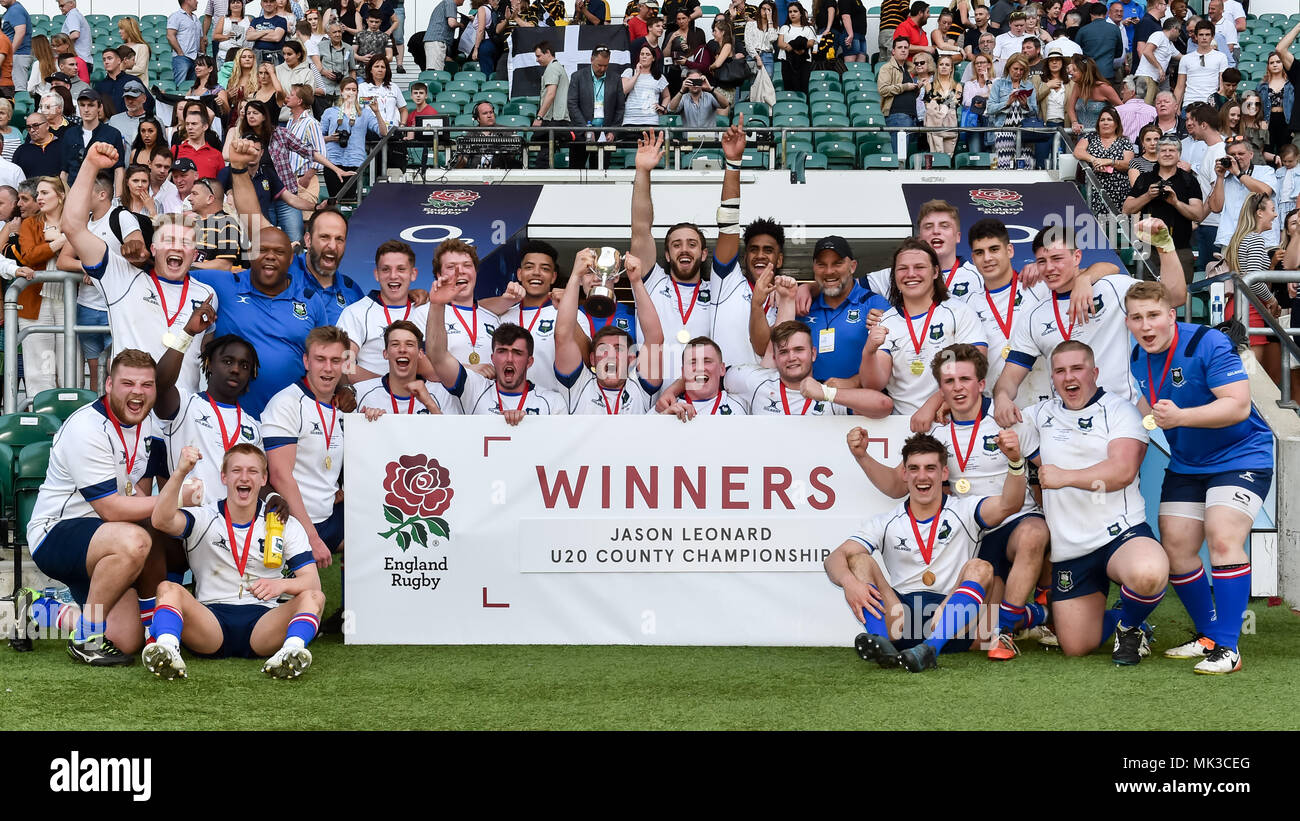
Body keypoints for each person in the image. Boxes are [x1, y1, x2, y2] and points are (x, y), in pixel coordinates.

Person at [850, 342, 1051, 659]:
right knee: (979, 630)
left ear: (981, 384)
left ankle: (1009, 630)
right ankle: (1034, 616)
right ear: (940, 389)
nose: (958, 388)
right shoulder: (936, 435)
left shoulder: (1011, 420)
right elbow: (894, 484)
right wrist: (862, 457)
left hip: (1014, 521)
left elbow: (1047, 472)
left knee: (1034, 533)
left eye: (965, 380)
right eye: (949, 382)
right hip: (972, 534)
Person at [1123, 281, 1269, 674]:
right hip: (1188, 462)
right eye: (1136, 318)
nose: (1146, 325)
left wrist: (1182, 417)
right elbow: (1146, 403)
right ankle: (1208, 636)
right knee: (1177, 547)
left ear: (1171, 314)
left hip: (1240, 456)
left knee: (1222, 537)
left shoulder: (1208, 342)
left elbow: (1237, 406)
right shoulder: (1138, 355)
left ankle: (1229, 647)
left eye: (1154, 315)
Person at [1015, 340, 1168, 664]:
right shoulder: (1040, 414)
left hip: (1119, 533)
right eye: (1060, 371)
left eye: (1077, 368)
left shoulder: (1119, 410)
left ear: (1094, 372)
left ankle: (1130, 626)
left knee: (1149, 573)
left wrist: (1064, 477)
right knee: (1076, 646)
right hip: (1070, 547)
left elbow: (1123, 471)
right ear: (1053, 378)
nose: (1069, 377)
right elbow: (995, 420)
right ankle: (1122, 618)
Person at [826, 429, 1029, 672]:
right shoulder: (886, 521)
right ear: (904, 473)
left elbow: (1011, 504)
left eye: (930, 468)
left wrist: (1015, 462)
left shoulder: (965, 510)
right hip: (900, 621)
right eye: (914, 468)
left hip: (950, 623)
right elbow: (834, 559)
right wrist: (850, 583)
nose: (922, 476)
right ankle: (882, 645)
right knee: (858, 560)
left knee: (981, 567)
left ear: (944, 473)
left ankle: (931, 649)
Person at [26, 349, 172, 665]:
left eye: (147, 385)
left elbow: (139, 497)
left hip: (105, 544)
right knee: (135, 541)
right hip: (57, 533)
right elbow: (111, 509)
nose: (138, 392)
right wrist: (175, 499)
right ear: (108, 385)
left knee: (125, 639)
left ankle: (36, 608)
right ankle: (86, 639)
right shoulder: (86, 427)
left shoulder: (149, 428)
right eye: (128, 383)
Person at [145, 442, 322, 679]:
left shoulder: (283, 522)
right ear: (224, 477)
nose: (244, 477)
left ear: (263, 479)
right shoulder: (206, 516)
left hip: (264, 623)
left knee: (314, 597)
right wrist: (180, 473)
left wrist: (280, 585)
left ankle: (291, 652)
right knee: (167, 589)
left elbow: (312, 583)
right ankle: (167, 649)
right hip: (211, 622)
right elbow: (160, 520)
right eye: (237, 470)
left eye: (252, 471)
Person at [63, 146, 220, 397]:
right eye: (168, 240)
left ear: (194, 253)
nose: (177, 247)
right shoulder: (121, 278)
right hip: (131, 412)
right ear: (154, 248)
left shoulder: (207, 294)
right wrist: (91, 165)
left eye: (185, 243)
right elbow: (72, 227)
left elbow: (204, 354)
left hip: (184, 413)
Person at [190, 138, 330, 415]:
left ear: (292, 258)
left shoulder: (311, 301)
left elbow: (329, 355)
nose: (269, 256)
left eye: (278, 251)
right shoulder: (226, 285)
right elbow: (171, 269)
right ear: (249, 253)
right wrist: (239, 170)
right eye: (261, 250)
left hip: (293, 420)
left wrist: (343, 390)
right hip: (232, 418)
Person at [994, 221, 1187, 421]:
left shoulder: (1112, 288)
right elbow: (1009, 378)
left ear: (1077, 256)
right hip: (1065, 425)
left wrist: (1165, 247)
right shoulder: (1034, 316)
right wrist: (1002, 397)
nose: (1049, 268)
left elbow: (1175, 297)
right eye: (1041, 261)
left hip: (1119, 419)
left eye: (1057, 258)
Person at [860, 238, 986, 425]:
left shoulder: (959, 312)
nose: (911, 274)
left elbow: (977, 369)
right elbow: (874, 384)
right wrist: (868, 352)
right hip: (903, 425)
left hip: (952, 421)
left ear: (935, 272)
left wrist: (932, 405)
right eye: (902, 269)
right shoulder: (887, 320)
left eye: (919, 267)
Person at [262, 324, 349, 570]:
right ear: (306, 361)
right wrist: (311, 537)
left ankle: (350, 608)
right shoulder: (287, 403)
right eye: (320, 359)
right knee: (303, 600)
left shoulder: (341, 406)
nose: (328, 368)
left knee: (380, 538)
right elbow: (280, 475)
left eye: (335, 360)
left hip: (329, 516)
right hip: (294, 522)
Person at [426, 283, 567, 421]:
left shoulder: (552, 402)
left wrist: (524, 426)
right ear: (492, 358)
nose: (509, 359)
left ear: (529, 361)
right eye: (502, 351)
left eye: (517, 353)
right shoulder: (474, 388)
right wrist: (437, 305)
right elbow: (438, 357)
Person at [553, 247, 664, 414]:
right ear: (591, 358)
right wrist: (575, 276)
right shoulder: (578, 386)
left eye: (618, 349)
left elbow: (655, 340)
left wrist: (636, 282)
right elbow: (562, 336)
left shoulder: (640, 388)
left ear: (632, 357)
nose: (610, 355)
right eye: (603, 349)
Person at [730, 319, 891, 416]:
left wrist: (827, 393)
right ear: (775, 358)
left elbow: (884, 406)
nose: (792, 357)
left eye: (799, 350)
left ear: (813, 354)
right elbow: (715, 376)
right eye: (784, 352)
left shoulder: (829, 392)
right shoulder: (755, 381)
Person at [335, 239, 429, 382]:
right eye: (385, 269)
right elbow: (344, 365)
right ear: (376, 274)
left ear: (413, 274)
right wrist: (388, 386)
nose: (393, 275)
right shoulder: (356, 312)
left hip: (423, 399)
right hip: (373, 400)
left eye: (401, 269)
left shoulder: (427, 311)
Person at [1122, 135, 1202, 280]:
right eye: (1163, 150)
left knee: (1180, 299)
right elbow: (1126, 209)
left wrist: (1176, 202)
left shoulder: (1189, 180)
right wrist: (1148, 196)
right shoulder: (1145, 179)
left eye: (1172, 150)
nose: (1167, 153)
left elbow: (1198, 214)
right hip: (1149, 249)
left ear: (1179, 155)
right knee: (1149, 297)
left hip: (1180, 248)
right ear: (1157, 154)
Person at [1224, 192, 1283, 365]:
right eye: (1272, 210)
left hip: (1240, 307)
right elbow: (1253, 280)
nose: (1275, 214)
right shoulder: (1255, 239)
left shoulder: (1241, 238)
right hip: (1250, 310)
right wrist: (1272, 301)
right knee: (1251, 377)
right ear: (1259, 213)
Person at [354, 319, 453, 415]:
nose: (402, 349)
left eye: (409, 344)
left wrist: (430, 404)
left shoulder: (441, 393)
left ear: (420, 353)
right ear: (386, 354)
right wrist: (365, 423)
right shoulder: (361, 392)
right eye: (395, 344)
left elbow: (452, 432)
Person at [1208, 134, 1279, 251]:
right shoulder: (1225, 177)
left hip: (1263, 241)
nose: (1237, 157)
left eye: (1241, 154)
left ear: (1251, 155)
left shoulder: (1265, 171)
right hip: (1231, 241)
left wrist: (1238, 174)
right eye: (1232, 155)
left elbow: (1265, 193)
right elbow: (1215, 207)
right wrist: (1220, 177)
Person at [321, 76, 385, 194]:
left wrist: (377, 111)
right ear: (341, 92)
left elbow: (383, 133)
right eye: (348, 89)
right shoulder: (330, 112)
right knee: (335, 200)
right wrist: (330, 138)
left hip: (355, 161)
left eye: (354, 90)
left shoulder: (365, 113)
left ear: (357, 92)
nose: (351, 92)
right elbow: (318, 138)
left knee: (351, 202)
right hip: (333, 161)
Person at [659, 336, 750, 419]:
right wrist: (664, 422)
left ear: (722, 369)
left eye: (707, 361)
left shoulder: (743, 401)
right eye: (693, 362)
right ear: (683, 372)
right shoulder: (669, 408)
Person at [1072, 105, 1134, 214]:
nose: (1105, 122)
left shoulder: (1124, 141)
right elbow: (1078, 151)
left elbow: (1128, 164)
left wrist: (1110, 162)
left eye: (1109, 119)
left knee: (1115, 226)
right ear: (1098, 123)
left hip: (1119, 191)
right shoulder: (1090, 136)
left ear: (1116, 124)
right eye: (1102, 120)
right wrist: (1095, 159)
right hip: (1094, 189)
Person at [986, 53, 1035, 169]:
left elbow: (1035, 112)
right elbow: (990, 108)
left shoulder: (1029, 85)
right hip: (1003, 130)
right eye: (1015, 69)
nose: (1018, 72)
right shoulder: (998, 84)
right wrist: (1007, 103)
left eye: (1021, 69)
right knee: (1004, 167)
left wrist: (1025, 106)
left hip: (1024, 131)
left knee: (1026, 167)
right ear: (1009, 67)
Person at [1174, 20, 1228, 110]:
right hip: (1189, 104)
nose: (1204, 38)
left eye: (1207, 35)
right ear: (1195, 36)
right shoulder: (1185, 59)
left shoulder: (1221, 57)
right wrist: (1175, 108)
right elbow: (1180, 86)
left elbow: (1222, 86)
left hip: (1210, 105)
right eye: (1201, 35)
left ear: (1212, 37)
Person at [1134, 16, 1181, 105]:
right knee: (1142, 108)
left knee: (1151, 110)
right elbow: (1147, 51)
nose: (1179, 34)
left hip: (1154, 81)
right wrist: (1160, 68)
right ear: (1174, 29)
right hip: (1145, 77)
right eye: (1179, 31)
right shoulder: (1159, 35)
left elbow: (1181, 57)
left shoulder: (1169, 43)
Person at [621, 42, 670, 126]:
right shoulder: (630, 72)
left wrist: (663, 107)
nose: (644, 56)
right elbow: (624, 90)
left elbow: (667, 96)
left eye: (647, 54)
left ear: (653, 58)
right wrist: (637, 74)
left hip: (651, 120)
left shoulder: (659, 77)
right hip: (630, 120)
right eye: (642, 54)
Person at [1074, 1, 1122, 81]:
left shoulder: (1083, 30)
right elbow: (1119, 53)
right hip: (1107, 72)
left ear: (1091, 14)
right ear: (1106, 14)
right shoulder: (1115, 29)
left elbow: (1077, 53)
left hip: (1089, 73)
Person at [923, 53, 960, 155]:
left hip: (950, 124)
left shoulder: (957, 86)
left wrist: (940, 104)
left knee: (948, 155)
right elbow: (928, 105)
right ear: (937, 67)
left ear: (951, 69)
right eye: (941, 64)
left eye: (947, 65)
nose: (944, 67)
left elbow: (956, 102)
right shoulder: (929, 86)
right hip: (933, 124)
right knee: (935, 155)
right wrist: (945, 103)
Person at [775, 2, 813, 95]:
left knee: (803, 88)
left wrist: (796, 46)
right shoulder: (784, 27)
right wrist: (794, 49)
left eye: (795, 11)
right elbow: (780, 43)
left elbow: (811, 42)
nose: (792, 13)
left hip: (804, 62)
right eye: (790, 12)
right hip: (787, 62)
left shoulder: (809, 28)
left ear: (801, 13)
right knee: (789, 88)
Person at [168, 0, 203, 87]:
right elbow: (170, 35)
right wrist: (180, 53)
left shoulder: (196, 19)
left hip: (196, 58)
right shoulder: (176, 16)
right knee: (180, 85)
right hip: (182, 58)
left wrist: (202, 54)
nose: (197, 2)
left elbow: (201, 38)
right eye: (195, 0)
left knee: (194, 87)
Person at [2, 0, 31, 91]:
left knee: (18, 90)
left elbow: (20, 32)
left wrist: (9, 54)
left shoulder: (16, 10)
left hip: (18, 55)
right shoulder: (11, 10)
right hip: (16, 55)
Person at [423, 0, 459, 72]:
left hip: (435, 41)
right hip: (436, 41)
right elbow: (452, 23)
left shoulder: (446, 3)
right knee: (435, 73)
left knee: (435, 71)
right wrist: (461, 24)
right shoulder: (450, 3)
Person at [745, 0, 778, 76]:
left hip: (768, 56)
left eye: (768, 9)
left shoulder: (775, 28)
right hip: (753, 56)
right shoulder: (751, 24)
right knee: (754, 84)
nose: (765, 11)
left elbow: (772, 39)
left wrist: (770, 20)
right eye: (763, 8)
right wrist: (757, 58)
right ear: (759, 10)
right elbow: (748, 44)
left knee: (767, 84)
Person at [1116, 77, 1155, 142]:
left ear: (1132, 93)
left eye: (1124, 89)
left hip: (1123, 149)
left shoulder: (1117, 111)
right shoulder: (1154, 111)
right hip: (1147, 149)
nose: (1122, 92)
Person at [57, 0, 91, 65]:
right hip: (83, 59)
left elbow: (75, 34)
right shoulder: (76, 14)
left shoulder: (72, 15)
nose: (60, 8)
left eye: (62, 5)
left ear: (71, 3)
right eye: (59, 6)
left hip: (78, 60)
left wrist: (59, 43)